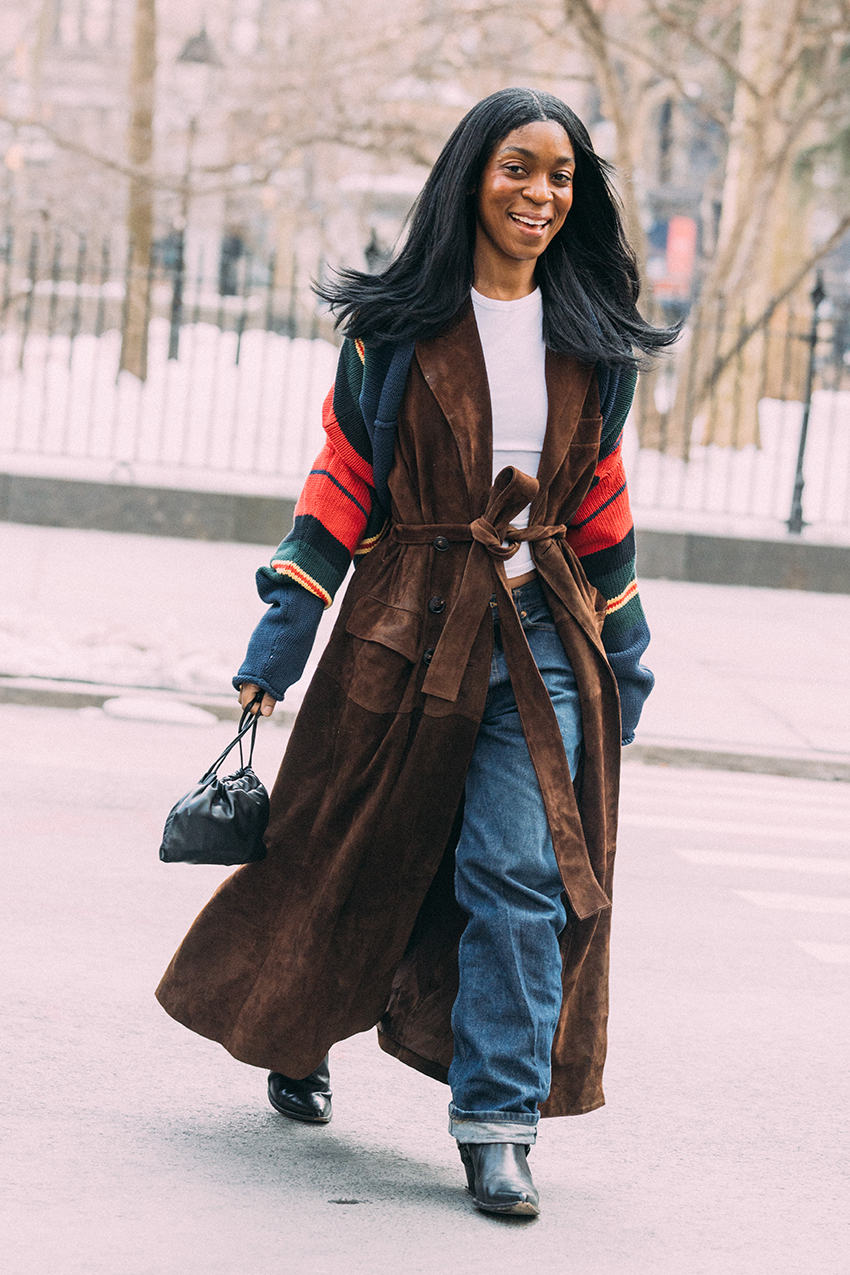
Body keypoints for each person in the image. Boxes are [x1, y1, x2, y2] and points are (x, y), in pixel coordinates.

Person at [156, 86, 677, 1218]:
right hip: (402, 630)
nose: (540, 195)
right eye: (516, 169)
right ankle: (295, 1031)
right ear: (468, 180)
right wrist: (278, 636)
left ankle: (498, 1120)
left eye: (560, 177)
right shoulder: (393, 332)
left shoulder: (591, 338)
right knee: (346, 851)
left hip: (540, 640)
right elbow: (343, 483)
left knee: (520, 872)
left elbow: (598, 505)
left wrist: (626, 656)